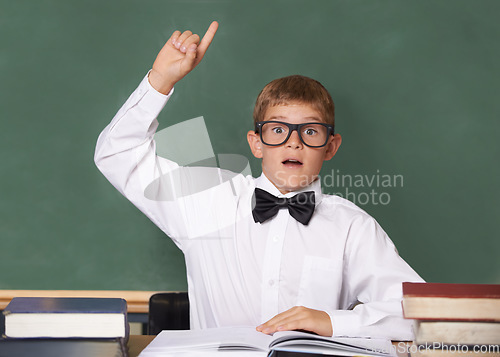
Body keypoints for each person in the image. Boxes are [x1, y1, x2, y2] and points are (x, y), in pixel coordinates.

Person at [94, 21, 423, 339]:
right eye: (278, 130)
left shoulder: (352, 227)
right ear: (256, 143)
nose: (294, 142)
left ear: (330, 147)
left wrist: (331, 321)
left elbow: (419, 313)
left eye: (310, 131)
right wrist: (160, 81)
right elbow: (116, 154)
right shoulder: (206, 200)